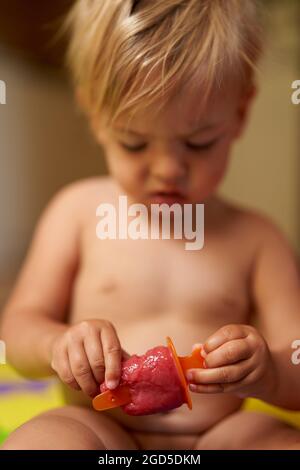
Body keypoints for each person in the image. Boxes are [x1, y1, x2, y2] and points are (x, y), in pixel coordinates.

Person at [1, 0, 300, 450]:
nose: (166, 170)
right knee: (42, 440)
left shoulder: (257, 239)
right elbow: (17, 331)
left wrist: (271, 371)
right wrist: (57, 344)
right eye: (134, 143)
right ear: (96, 118)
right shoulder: (76, 213)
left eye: (198, 144)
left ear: (239, 114)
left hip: (218, 438)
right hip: (100, 430)